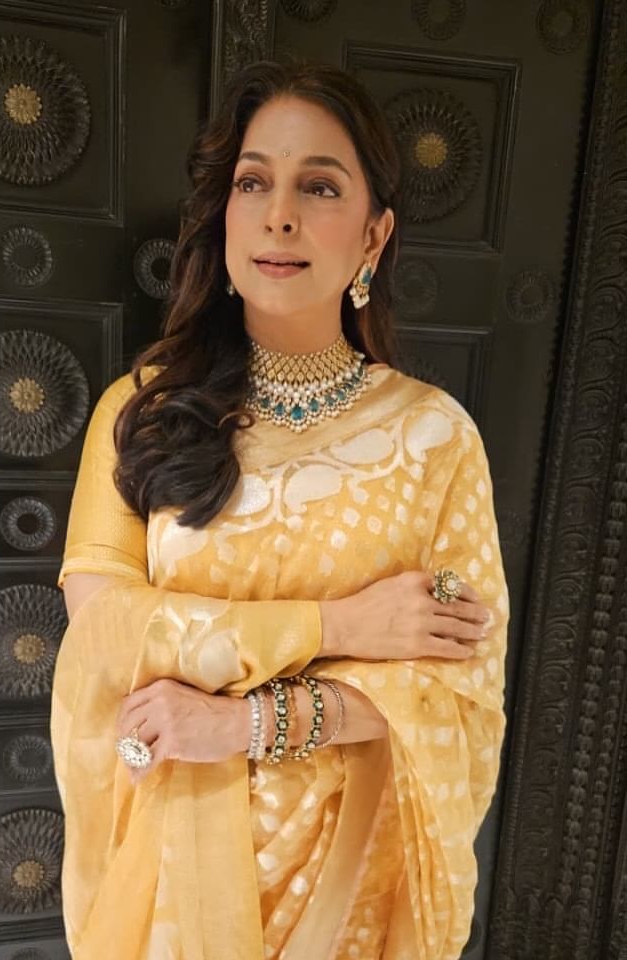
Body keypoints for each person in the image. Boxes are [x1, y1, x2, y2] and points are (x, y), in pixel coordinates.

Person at [50, 59, 509, 960]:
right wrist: (340, 626)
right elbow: (105, 632)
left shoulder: (435, 439)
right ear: (224, 211)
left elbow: (456, 690)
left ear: (374, 235)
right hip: (174, 873)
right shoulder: (141, 412)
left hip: (352, 881)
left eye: (319, 186)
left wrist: (242, 723)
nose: (279, 215)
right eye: (253, 182)